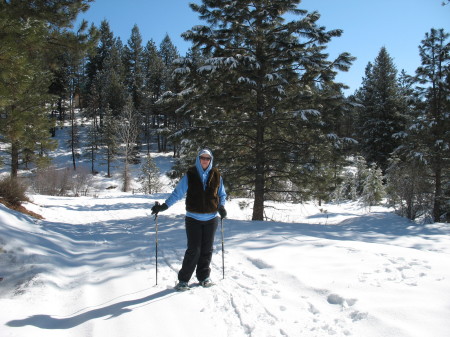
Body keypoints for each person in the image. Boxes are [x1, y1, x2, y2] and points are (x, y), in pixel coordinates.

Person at [151, 148, 227, 291]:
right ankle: (183, 280)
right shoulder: (190, 174)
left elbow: (222, 194)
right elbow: (178, 193)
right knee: (194, 250)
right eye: (202, 158)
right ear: (198, 159)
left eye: (207, 158)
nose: (205, 160)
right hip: (193, 218)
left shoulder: (217, 175)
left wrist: (222, 207)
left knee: (207, 249)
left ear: (211, 160)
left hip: (211, 219)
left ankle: (204, 277)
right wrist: (164, 206)